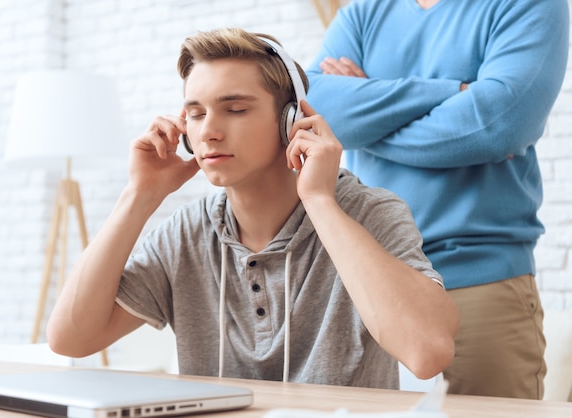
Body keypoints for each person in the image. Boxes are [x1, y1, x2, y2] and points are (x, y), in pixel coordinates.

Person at [46, 27, 458, 389]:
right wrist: (138, 196)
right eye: (195, 113)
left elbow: (427, 354)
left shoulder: (370, 213)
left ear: (291, 121)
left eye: (236, 109)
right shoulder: (185, 233)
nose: (208, 130)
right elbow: (70, 338)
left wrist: (319, 201)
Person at [305, 0, 569, 398]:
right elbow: (318, 109)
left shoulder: (530, 5)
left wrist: (369, 116)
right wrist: (455, 92)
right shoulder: (363, 11)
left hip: (478, 280)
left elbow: (498, 125)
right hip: (371, 281)